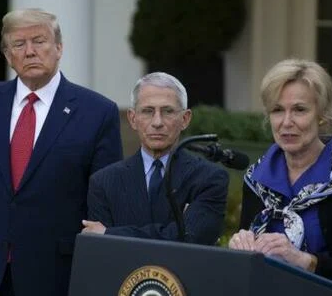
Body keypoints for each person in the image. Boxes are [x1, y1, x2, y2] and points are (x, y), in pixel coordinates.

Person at [0, 8, 123, 296]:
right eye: (19, 44)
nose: (30, 52)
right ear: (8, 55)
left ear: (59, 48)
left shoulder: (98, 112)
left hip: (56, 273)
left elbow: (105, 204)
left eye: (39, 41)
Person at [228, 59, 332, 295]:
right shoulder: (256, 179)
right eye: (277, 110)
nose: (286, 122)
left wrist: (307, 262)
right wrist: (239, 249)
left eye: (300, 110)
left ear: (321, 115)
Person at [82, 72, 228, 244]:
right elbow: (102, 253)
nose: (157, 122)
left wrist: (109, 233)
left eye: (168, 111)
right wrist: (175, 230)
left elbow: (193, 237)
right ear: (133, 118)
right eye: (148, 111)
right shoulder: (104, 182)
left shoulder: (209, 178)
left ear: (185, 119)